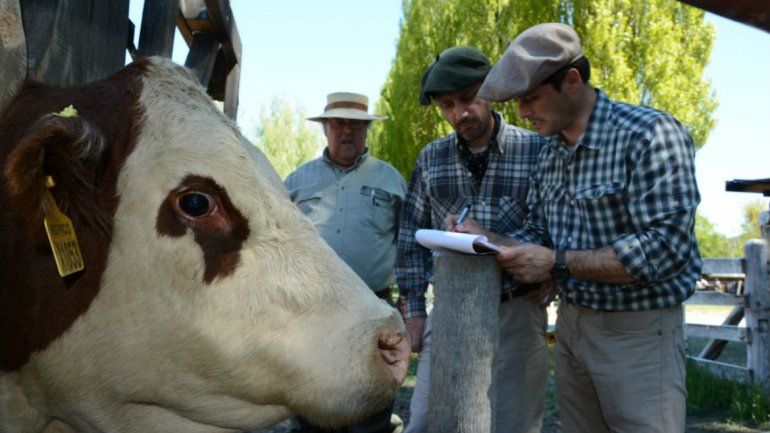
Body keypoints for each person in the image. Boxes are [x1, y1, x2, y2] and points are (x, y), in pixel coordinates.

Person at [458, 23, 701, 433]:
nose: (522, 113)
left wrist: (557, 263)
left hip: (638, 333)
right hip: (571, 327)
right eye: (517, 102)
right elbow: (541, 234)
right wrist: (487, 239)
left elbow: (665, 248)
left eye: (531, 98)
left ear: (572, 81)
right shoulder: (550, 154)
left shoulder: (649, 134)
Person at [396, 46, 548, 433]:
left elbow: (551, 229)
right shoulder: (431, 158)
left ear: (491, 91)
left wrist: (495, 240)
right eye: (447, 105)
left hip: (515, 309)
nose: (459, 113)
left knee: (513, 423)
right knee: (426, 421)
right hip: (450, 308)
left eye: (468, 98)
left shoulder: (536, 150)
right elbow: (410, 238)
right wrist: (415, 312)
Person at [285, 92, 406, 433]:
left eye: (355, 124)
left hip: (374, 309)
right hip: (312, 311)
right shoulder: (296, 182)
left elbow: (407, 243)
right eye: (338, 124)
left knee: (373, 401)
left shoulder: (391, 180)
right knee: (312, 402)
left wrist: (409, 300)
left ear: (367, 130)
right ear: (325, 129)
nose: (347, 131)